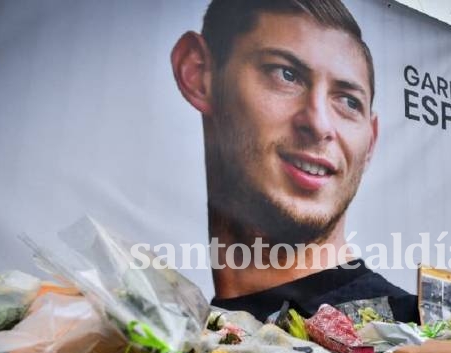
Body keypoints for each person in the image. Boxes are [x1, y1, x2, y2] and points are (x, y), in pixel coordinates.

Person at [171, 0, 417, 322]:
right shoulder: (150, 338)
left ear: (370, 142)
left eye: (347, 101)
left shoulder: (414, 339)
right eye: (286, 74)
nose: (319, 124)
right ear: (198, 72)